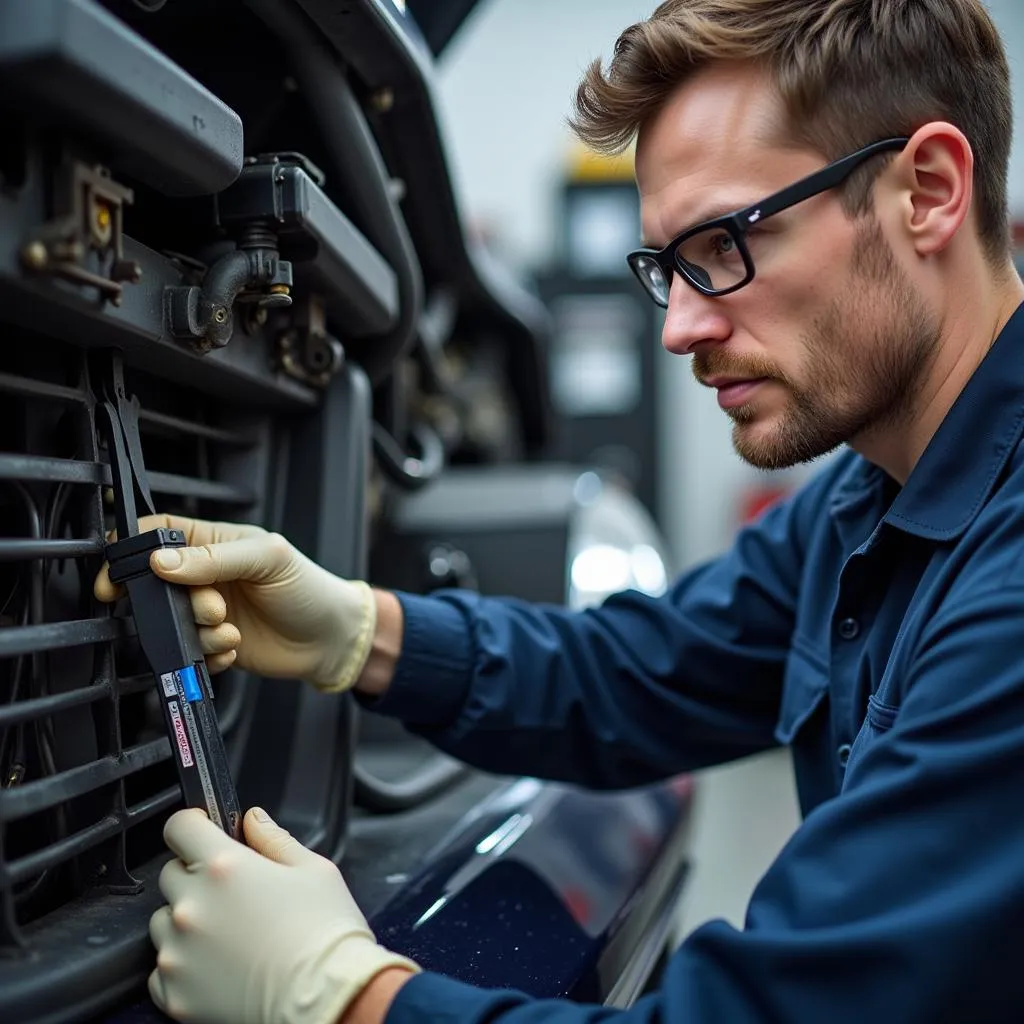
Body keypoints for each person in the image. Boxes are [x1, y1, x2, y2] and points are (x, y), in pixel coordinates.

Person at [94, 0, 1024, 1021]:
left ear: (928, 192)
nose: (678, 326)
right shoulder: (864, 502)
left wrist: (345, 1000)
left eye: (722, 243)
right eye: (665, 267)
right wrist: (359, 631)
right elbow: (637, 673)